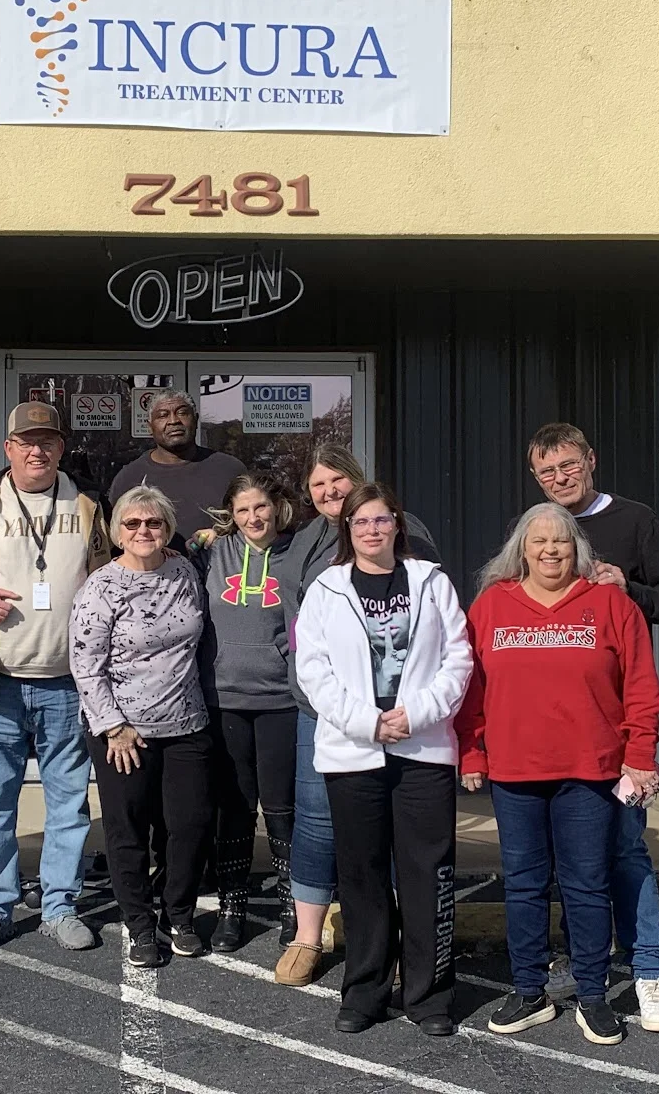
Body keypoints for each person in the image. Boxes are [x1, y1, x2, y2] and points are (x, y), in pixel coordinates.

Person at [456, 502, 659, 1048]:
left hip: (590, 771)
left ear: (578, 549)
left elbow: (641, 686)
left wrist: (640, 753)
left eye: (562, 541)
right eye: (539, 541)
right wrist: (471, 752)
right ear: (521, 551)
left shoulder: (611, 604)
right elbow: (470, 687)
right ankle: (529, 991)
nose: (551, 550)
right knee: (523, 884)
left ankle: (593, 996)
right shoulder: (492, 606)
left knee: (586, 884)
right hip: (515, 771)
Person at [0, 400, 112, 955]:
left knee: (68, 803)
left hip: (68, 681)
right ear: (8, 448)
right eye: (26, 442)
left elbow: (114, 569)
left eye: (47, 442)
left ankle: (59, 906)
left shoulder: (89, 501)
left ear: (61, 448)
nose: (37, 451)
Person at [527, 421, 659, 1032]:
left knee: (624, 849)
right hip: (559, 729)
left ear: (591, 460)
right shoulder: (538, 529)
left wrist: (632, 588)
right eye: (547, 471)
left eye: (568, 465)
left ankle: (651, 971)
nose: (560, 478)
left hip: (621, 726)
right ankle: (581, 960)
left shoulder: (634, 520)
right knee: (570, 856)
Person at [295, 483, 471, 1037]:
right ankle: (365, 991)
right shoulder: (326, 589)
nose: (372, 530)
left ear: (398, 523)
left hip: (423, 748)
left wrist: (416, 714)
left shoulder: (432, 582)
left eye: (381, 519)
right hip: (353, 751)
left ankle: (429, 995)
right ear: (347, 530)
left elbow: (459, 659)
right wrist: (368, 722)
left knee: (427, 874)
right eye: (361, 522)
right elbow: (313, 670)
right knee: (362, 875)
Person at [275, 442, 441, 986]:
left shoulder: (402, 527)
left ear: (356, 478)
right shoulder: (305, 540)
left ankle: (397, 942)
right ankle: (307, 936)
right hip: (323, 708)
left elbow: (432, 617)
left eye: (337, 480)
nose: (329, 492)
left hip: (400, 713)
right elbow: (296, 621)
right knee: (316, 820)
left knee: (391, 826)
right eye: (318, 484)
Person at [70, 485, 213, 967]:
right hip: (124, 733)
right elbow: (85, 664)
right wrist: (113, 726)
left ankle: (179, 916)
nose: (143, 531)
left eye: (153, 522)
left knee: (188, 827)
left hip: (187, 723)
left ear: (168, 529)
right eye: (132, 524)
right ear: (117, 533)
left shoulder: (184, 571)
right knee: (127, 830)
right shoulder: (101, 587)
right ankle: (139, 924)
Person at [193, 473, 298, 953]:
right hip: (224, 699)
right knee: (234, 808)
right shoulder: (212, 552)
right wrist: (200, 537)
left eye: (260, 507)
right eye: (242, 510)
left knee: (280, 807)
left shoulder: (297, 551)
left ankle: (292, 904)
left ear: (276, 507)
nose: (253, 518)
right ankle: (231, 907)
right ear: (230, 516)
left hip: (281, 699)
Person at [108, 390, 246, 541]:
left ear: (196, 420)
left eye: (182, 413)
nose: (173, 421)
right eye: (163, 415)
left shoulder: (229, 470)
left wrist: (220, 538)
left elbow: (251, 526)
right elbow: (116, 538)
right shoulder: (129, 478)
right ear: (150, 427)